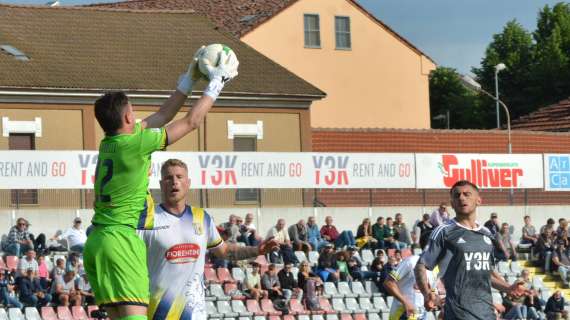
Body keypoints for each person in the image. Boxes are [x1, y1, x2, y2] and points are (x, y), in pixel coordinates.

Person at [83, 46, 239, 320]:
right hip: (121, 240)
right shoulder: (135, 145)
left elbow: (162, 116)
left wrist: (188, 80)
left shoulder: (111, 142)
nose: (138, 115)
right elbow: (191, 122)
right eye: (134, 110)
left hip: (98, 242)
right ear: (129, 118)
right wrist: (217, 83)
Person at [137, 159, 278, 320]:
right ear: (162, 184)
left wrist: (257, 250)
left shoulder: (202, 217)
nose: (174, 182)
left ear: (188, 183)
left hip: (196, 314)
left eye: (179, 177)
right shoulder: (148, 219)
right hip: (159, 313)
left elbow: (224, 251)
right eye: (169, 178)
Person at [415, 180, 528, 320]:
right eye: (457, 195)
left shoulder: (486, 233)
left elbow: (487, 274)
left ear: (479, 200)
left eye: (467, 194)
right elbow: (421, 266)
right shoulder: (444, 231)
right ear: (452, 203)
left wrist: (509, 288)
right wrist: (427, 294)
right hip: (458, 314)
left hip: (487, 313)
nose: (461, 198)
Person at [384, 255, 437, 320]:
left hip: (422, 315)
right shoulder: (411, 261)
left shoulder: (436, 266)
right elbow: (388, 283)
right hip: (402, 314)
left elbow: (431, 289)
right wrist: (406, 302)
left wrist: (432, 300)